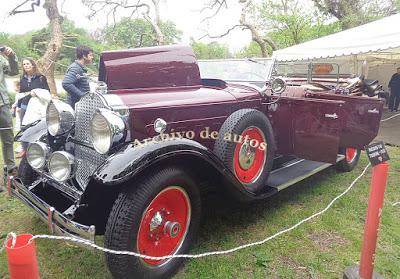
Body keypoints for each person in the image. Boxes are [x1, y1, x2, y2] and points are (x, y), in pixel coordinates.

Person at [17, 57, 50, 158]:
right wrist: (18, 106)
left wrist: (36, 92)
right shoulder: (22, 78)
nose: (26, 66)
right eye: (24, 64)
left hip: (38, 106)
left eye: (28, 64)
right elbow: (21, 94)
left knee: (37, 126)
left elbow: (47, 91)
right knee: (24, 127)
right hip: (25, 105)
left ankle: (38, 147)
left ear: (33, 65)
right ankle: (24, 148)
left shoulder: (41, 77)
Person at [0, 45, 18, 191]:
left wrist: (11, 56)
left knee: (8, 138)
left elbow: (13, 71)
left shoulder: (0, 59)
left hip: (2, 104)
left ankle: (11, 173)